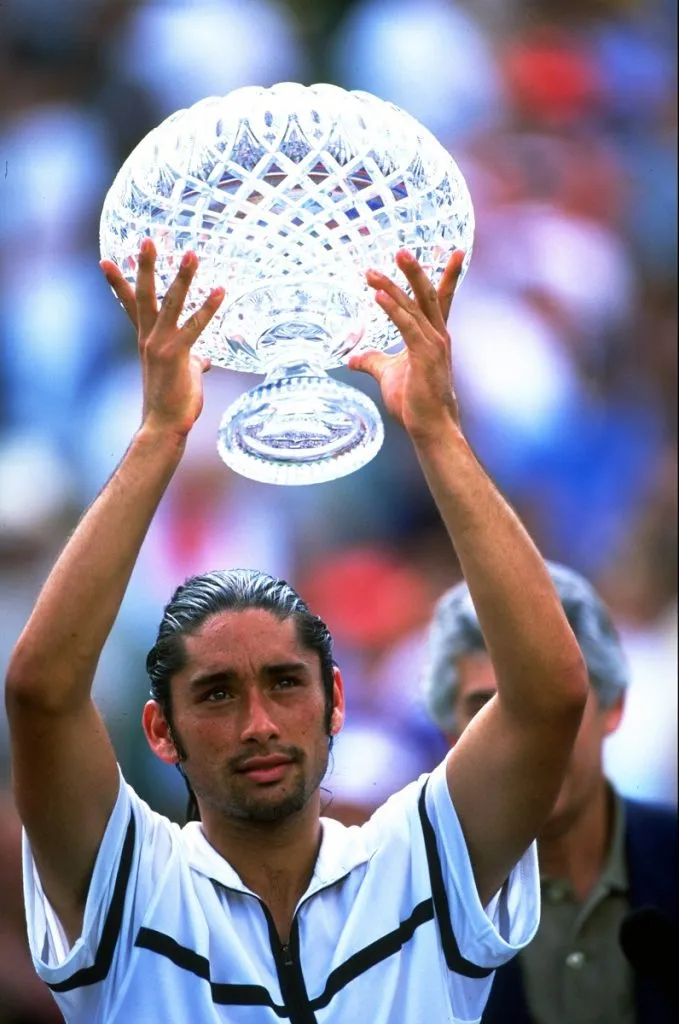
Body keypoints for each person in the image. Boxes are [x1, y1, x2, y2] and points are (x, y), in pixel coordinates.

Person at [4, 239, 589, 1024]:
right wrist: (160, 437)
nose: (258, 724)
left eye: (285, 682)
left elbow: (549, 697)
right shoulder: (131, 879)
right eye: (215, 694)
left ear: (334, 699)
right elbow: (40, 695)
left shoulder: (417, 859)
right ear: (160, 731)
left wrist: (436, 431)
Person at [422, 564, 678, 1024]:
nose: (525, 737)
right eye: (488, 711)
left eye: (554, 703)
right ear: (450, 737)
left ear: (614, 706)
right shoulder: (408, 911)